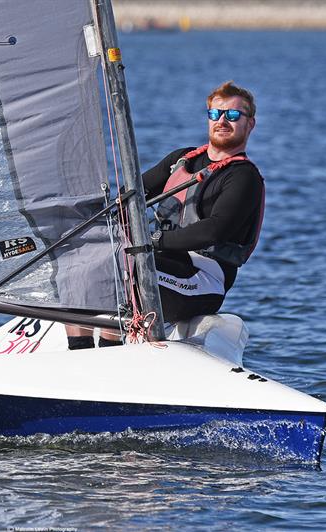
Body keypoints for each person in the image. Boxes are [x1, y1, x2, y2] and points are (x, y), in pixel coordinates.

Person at [66, 80, 264, 349]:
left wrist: (151, 243)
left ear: (249, 123)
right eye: (215, 114)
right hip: (162, 260)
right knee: (84, 260)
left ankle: (108, 352)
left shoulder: (243, 177)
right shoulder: (182, 160)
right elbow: (131, 195)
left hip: (204, 279)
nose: (222, 121)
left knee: (123, 268)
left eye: (232, 115)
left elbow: (214, 231)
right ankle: (79, 351)